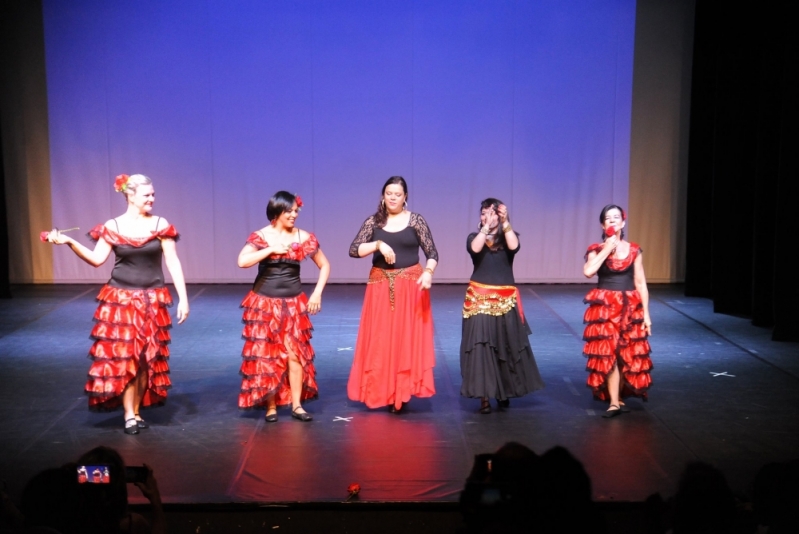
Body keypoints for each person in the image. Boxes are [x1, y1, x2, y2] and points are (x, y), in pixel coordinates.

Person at [46, 174, 188, 434]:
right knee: (128, 358)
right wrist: (69, 242)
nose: (152, 199)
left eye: (153, 194)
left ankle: (136, 410)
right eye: (147, 195)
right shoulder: (113, 226)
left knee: (147, 359)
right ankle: (129, 414)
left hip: (152, 299)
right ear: (130, 195)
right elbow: (96, 259)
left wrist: (183, 297)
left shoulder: (160, 224)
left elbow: (173, 261)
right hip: (121, 299)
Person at [347, 176, 438, 413]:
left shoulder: (416, 220)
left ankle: (402, 392)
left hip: (410, 287)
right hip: (380, 287)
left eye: (398, 194)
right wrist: (378, 245)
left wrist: (428, 272)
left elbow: (432, 253)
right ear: (383, 196)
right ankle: (382, 390)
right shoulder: (374, 222)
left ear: (405, 196)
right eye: (389, 193)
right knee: (381, 340)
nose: (393, 198)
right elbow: (354, 250)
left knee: (405, 339)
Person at [237, 191, 330, 422]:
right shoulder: (261, 236)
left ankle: (297, 405)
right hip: (264, 304)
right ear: (277, 212)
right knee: (268, 355)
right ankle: (271, 406)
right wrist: (269, 250)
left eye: (296, 210)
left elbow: (325, 265)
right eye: (289, 211)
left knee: (295, 355)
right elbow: (242, 262)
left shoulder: (303, 236)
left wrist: (317, 293)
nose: (294, 214)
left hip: (293, 304)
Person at [460, 199, 544, 414]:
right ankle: (484, 397)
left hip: (505, 300)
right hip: (479, 299)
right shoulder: (474, 237)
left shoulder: (508, 238)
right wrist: (486, 228)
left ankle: (503, 390)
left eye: (493, 212)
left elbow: (515, 246)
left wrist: (506, 222)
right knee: (482, 348)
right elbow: (475, 247)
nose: (489, 215)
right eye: (484, 212)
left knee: (504, 346)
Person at [582, 204, 652, 417]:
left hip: (630, 307)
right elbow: (588, 272)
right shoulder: (595, 248)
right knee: (609, 352)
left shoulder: (633, 250)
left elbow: (640, 283)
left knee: (625, 354)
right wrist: (606, 249)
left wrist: (646, 314)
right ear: (603, 224)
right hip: (606, 307)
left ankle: (619, 396)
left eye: (616, 217)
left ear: (623, 222)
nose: (612, 221)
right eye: (608, 218)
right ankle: (613, 401)